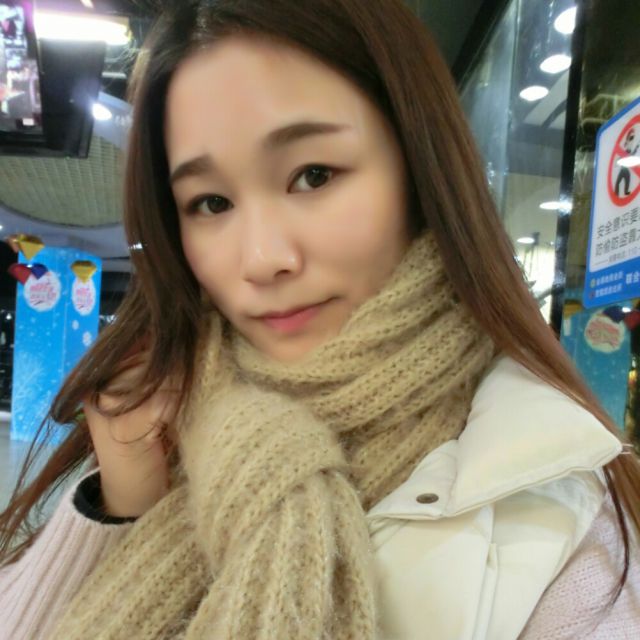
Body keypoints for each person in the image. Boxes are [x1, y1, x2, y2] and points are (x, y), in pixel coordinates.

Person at [1, 1, 639, 638]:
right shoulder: (173, 415)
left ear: (420, 172)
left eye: (313, 175)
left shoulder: (568, 530)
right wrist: (120, 508)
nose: (262, 259)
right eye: (211, 202)